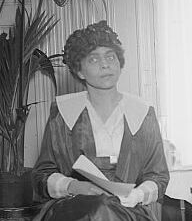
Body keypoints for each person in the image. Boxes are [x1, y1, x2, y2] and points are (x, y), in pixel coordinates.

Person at [32, 20, 169, 221]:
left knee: (106, 208)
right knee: (99, 208)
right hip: (73, 208)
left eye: (110, 57)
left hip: (129, 209)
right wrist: (73, 186)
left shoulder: (142, 113)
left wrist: (136, 195)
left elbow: (158, 176)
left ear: (120, 63)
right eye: (94, 59)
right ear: (79, 70)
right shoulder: (62, 112)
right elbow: (42, 175)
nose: (105, 64)